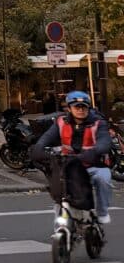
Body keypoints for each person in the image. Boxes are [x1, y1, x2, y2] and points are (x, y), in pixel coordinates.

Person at [31, 91, 113, 225]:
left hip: (94, 165)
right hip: (68, 166)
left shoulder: (99, 123)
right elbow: (45, 138)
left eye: (84, 106)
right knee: (58, 189)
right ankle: (60, 228)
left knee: (103, 179)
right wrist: (38, 149)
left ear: (88, 108)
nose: (80, 109)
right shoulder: (61, 122)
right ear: (69, 109)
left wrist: (92, 152)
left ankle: (102, 212)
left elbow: (104, 143)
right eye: (77, 106)